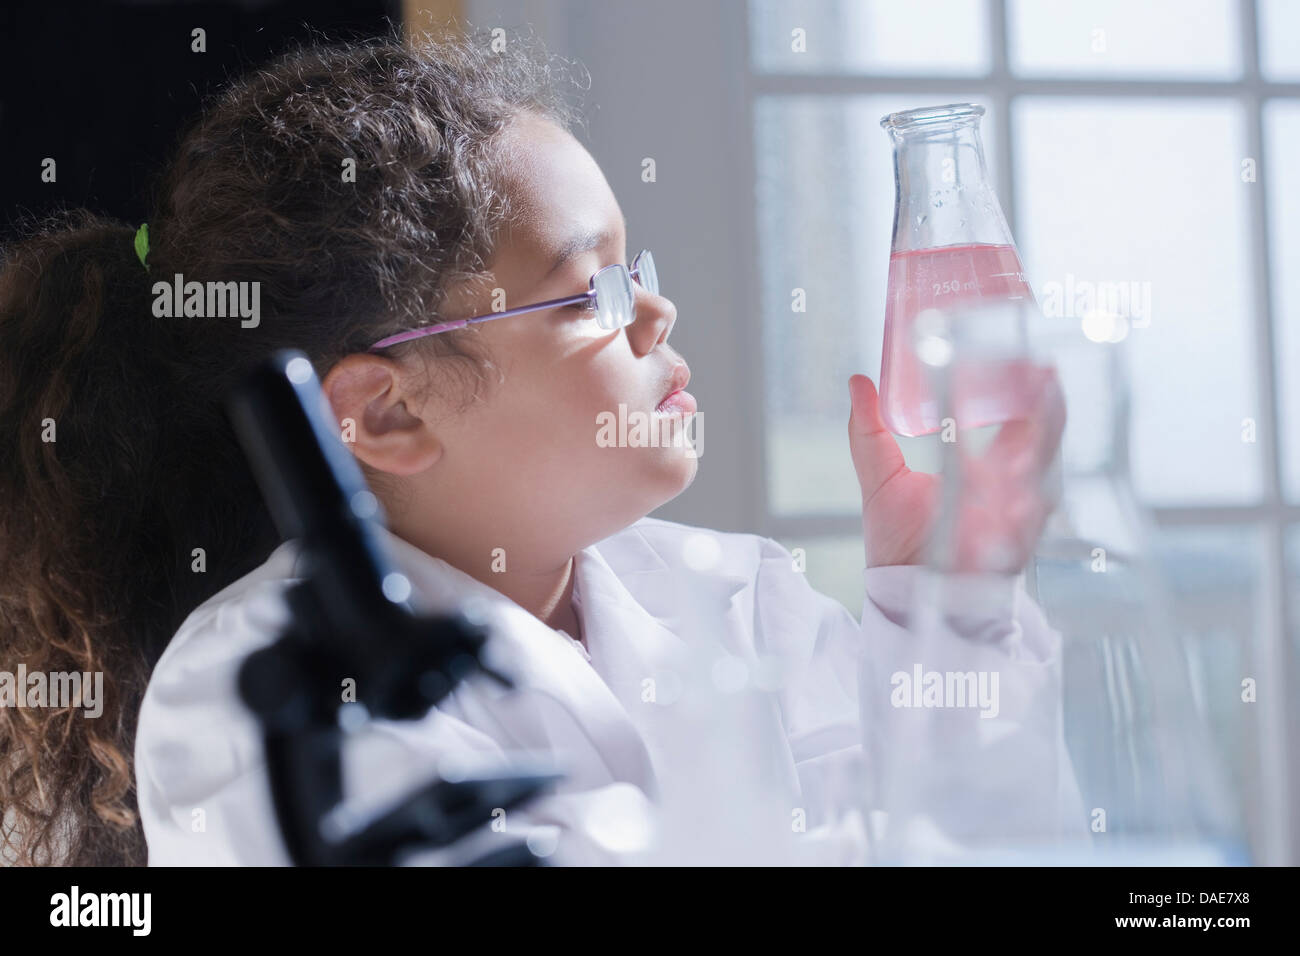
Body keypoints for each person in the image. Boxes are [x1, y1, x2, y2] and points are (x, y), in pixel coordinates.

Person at [0, 30, 1076, 867]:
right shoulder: (259, 693)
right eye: (588, 290)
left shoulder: (743, 596)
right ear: (386, 413)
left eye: (636, 262)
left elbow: (996, 851)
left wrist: (956, 605)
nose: (654, 310)